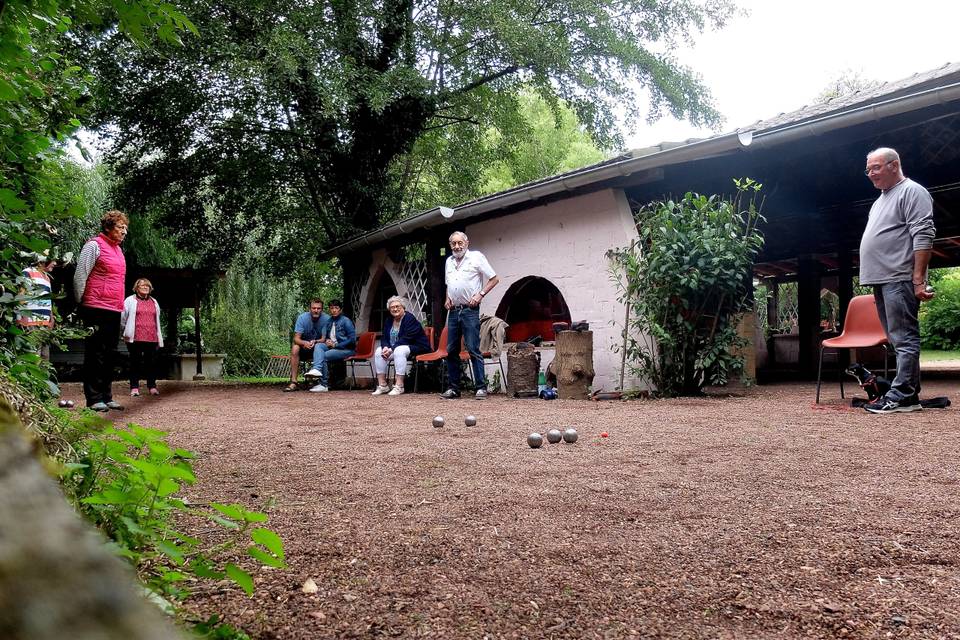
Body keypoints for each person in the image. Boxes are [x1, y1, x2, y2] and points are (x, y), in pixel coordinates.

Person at [859, 147, 935, 414]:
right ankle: (909, 394)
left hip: (899, 277)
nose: (871, 173)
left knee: (904, 339)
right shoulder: (880, 200)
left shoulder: (912, 191)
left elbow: (923, 235)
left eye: (876, 167)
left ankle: (902, 394)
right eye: (868, 169)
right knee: (896, 339)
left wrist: (918, 280)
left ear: (894, 165)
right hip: (882, 279)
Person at [74, 210, 128, 412]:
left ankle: (107, 396)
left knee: (110, 354)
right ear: (108, 227)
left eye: (125, 228)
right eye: (120, 227)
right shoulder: (93, 245)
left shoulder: (119, 251)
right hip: (94, 306)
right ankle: (94, 398)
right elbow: (81, 275)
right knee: (95, 353)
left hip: (114, 308)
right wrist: (81, 302)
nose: (124, 232)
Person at [440, 231, 499, 399]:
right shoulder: (448, 262)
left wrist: (480, 294)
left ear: (467, 243)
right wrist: (447, 299)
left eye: (460, 243)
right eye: (454, 244)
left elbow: (494, 279)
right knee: (451, 350)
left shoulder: (476, 257)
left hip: (469, 310)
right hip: (453, 311)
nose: (457, 246)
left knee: (473, 348)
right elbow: (449, 284)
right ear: (450, 245)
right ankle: (454, 388)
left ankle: (480, 387)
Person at [371, 296, 431, 396]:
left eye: (397, 306)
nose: (395, 309)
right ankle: (383, 385)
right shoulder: (389, 320)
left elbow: (407, 338)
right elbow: (384, 337)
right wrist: (385, 347)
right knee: (378, 351)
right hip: (395, 348)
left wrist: (391, 349)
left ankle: (399, 386)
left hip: (417, 346)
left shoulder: (409, 319)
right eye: (392, 307)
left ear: (403, 307)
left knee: (399, 350)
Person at [121, 278, 163, 397]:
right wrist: (125, 331)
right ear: (136, 288)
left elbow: (157, 318)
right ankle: (134, 388)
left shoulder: (154, 301)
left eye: (147, 286)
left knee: (151, 363)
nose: (145, 288)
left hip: (151, 337)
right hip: (135, 337)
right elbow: (123, 318)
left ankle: (152, 386)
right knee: (135, 362)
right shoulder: (130, 300)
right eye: (142, 286)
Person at [16, 254, 58, 360]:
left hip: (44, 323)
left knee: (45, 357)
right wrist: (20, 318)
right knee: (33, 356)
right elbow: (21, 295)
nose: (55, 263)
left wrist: (51, 318)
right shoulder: (28, 272)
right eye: (52, 261)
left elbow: (48, 300)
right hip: (31, 322)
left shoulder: (47, 278)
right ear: (42, 261)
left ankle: (44, 376)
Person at [310, 299, 356, 393]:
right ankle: (316, 369)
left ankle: (324, 384)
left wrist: (336, 344)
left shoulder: (346, 321)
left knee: (325, 356)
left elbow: (352, 340)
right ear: (329, 310)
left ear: (340, 310)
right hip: (333, 347)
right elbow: (325, 337)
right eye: (331, 308)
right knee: (318, 346)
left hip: (346, 349)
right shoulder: (329, 321)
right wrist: (326, 341)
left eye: (336, 308)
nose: (334, 310)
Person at [284, 299, 330, 392]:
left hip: (319, 348)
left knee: (322, 348)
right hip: (304, 348)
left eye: (318, 308)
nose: (316, 310)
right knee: (295, 348)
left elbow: (327, 339)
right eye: (314, 308)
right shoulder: (302, 318)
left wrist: (315, 342)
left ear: (322, 309)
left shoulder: (327, 319)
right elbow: (296, 338)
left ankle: (324, 382)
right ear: (309, 309)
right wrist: (304, 343)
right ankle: (294, 382)